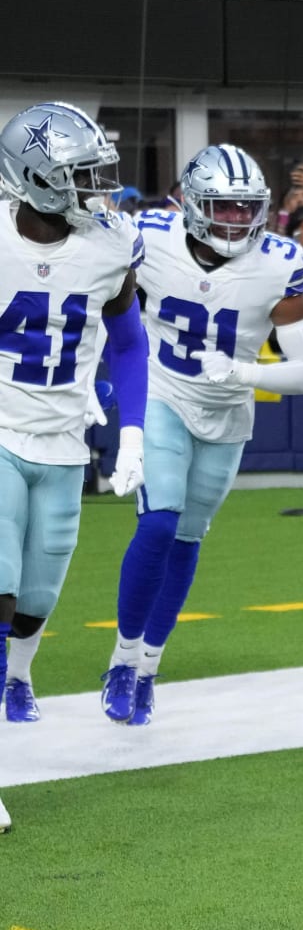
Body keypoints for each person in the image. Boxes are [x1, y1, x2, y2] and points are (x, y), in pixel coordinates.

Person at [100, 145, 303, 726]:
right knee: (158, 521)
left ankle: (150, 665)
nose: (233, 219)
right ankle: (123, 662)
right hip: (162, 394)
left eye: (243, 207)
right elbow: (97, 298)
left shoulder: (279, 262)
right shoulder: (147, 235)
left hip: (227, 414)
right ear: (194, 204)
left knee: (187, 539)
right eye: (221, 207)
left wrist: (246, 373)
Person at [0, 102, 148, 726]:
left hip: (64, 442)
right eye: (81, 175)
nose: (97, 190)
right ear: (36, 177)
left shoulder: (111, 247)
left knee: (38, 594)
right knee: (0, 586)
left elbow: (129, 340)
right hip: (2, 428)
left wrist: (133, 430)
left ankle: (18, 675)